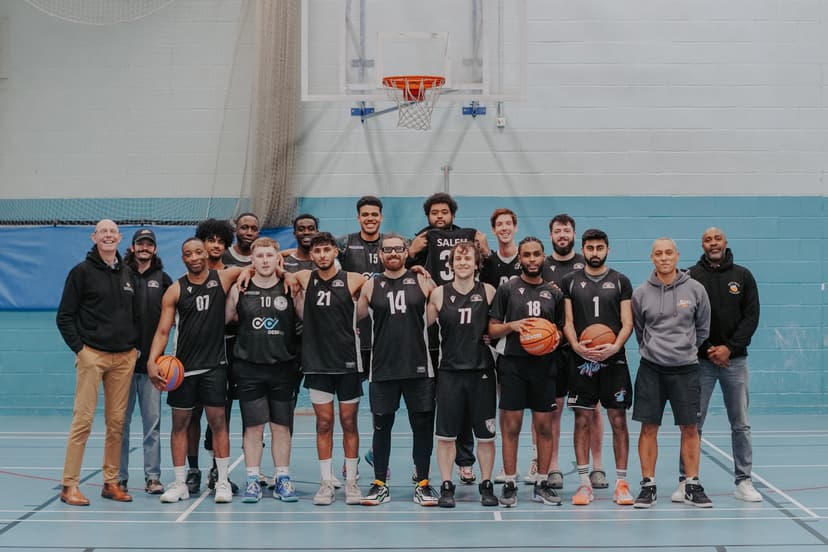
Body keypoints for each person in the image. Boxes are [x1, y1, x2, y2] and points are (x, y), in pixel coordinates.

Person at [147, 238, 251, 504]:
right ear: (182, 258)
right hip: (182, 369)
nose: (193, 257)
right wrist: (152, 361)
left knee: (219, 423)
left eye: (198, 252)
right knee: (180, 425)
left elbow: (256, 264)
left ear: (207, 254)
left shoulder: (223, 277)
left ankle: (223, 481)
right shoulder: (175, 290)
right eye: (187, 253)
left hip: (214, 366)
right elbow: (162, 330)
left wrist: (279, 268)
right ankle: (181, 482)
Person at [408, 192, 490, 485]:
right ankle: (423, 463)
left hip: (464, 323)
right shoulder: (422, 238)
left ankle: (465, 461)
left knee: (466, 403)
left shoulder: (470, 237)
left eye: (444, 212)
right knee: (431, 403)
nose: (439, 217)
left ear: (453, 214)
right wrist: (410, 253)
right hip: (436, 317)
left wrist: (486, 248)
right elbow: (400, 271)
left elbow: (488, 268)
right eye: (434, 213)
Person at [56, 219, 139, 505]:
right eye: (102, 231)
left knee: (117, 423)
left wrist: (135, 348)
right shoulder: (80, 272)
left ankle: (110, 482)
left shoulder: (128, 273)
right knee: (83, 421)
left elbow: (136, 315)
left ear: (119, 237)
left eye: (112, 232)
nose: (108, 235)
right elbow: (64, 317)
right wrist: (81, 351)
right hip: (92, 355)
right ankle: (69, 486)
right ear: (94, 237)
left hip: (124, 358)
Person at [357, 233, 438, 506]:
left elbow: (439, 309)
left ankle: (423, 484)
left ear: (406, 252)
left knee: (422, 428)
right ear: (380, 254)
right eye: (387, 249)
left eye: (398, 249)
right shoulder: (370, 285)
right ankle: (380, 483)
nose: (393, 253)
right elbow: (351, 316)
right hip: (382, 369)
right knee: (382, 428)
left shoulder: (422, 280)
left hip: (418, 368)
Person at [631, 237, 712, 508]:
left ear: (677, 256)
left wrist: (685, 350)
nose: (664, 257)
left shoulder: (696, 289)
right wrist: (654, 350)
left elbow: (702, 330)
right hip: (651, 369)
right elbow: (640, 332)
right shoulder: (641, 293)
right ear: (651, 258)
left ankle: (692, 484)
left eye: (668, 252)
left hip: (686, 369)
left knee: (690, 428)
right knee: (648, 428)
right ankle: (648, 486)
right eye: (658, 253)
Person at [683, 227, 762, 502]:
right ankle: (687, 480)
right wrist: (707, 348)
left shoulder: (743, 276)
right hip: (701, 362)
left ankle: (744, 481)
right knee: (693, 422)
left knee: (740, 423)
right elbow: (687, 319)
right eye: (707, 239)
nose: (713, 243)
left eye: (717, 238)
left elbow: (751, 317)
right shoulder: (691, 276)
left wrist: (730, 348)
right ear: (702, 244)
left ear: (726, 242)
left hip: (735, 362)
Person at [289, 232, 367, 506]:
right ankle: (325, 483)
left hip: (347, 362)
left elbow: (380, 290)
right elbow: (274, 265)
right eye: (317, 251)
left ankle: (352, 483)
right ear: (311, 256)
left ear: (335, 251)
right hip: (317, 362)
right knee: (324, 423)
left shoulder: (354, 279)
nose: (322, 255)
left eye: (326, 250)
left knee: (348, 422)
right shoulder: (303, 277)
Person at [488, 236, 565, 507]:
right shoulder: (508, 289)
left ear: (543, 257)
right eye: (527, 255)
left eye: (536, 254)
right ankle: (510, 482)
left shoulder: (554, 293)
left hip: (544, 367)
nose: (532, 259)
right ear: (519, 259)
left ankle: (542, 482)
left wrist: (552, 336)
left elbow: (561, 331)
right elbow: (492, 328)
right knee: (511, 426)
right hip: (513, 365)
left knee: (544, 427)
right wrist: (514, 325)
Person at [561, 229, 635, 507]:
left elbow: (627, 322)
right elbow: (567, 322)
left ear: (608, 249)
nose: (595, 252)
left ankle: (621, 483)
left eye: (599, 247)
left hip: (613, 360)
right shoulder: (570, 281)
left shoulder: (620, 281)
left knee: (618, 420)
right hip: (581, 361)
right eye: (590, 248)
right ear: (583, 249)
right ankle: (583, 484)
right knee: (582, 420)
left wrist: (615, 346)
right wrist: (576, 346)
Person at [225, 237, 301, 503]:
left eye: (270, 256)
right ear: (252, 260)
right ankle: (253, 479)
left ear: (277, 259)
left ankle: (282, 478)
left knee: (281, 427)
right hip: (249, 368)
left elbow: (304, 316)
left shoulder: (290, 288)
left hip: (283, 367)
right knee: (253, 428)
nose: (265, 260)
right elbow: (224, 319)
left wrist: (291, 280)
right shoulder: (240, 289)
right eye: (260, 256)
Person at [537, 214, 607, 491]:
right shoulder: (542, 265)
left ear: (574, 234)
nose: (562, 234)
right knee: (553, 408)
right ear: (551, 235)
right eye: (557, 230)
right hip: (553, 348)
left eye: (567, 230)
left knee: (593, 408)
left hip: (586, 347)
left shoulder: (586, 264)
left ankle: (598, 466)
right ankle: (552, 466)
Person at [427, 241, 499, 508]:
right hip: (450, 373)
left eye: (468, 258)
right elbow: (418, 323)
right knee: (446, 435)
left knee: (486, 436)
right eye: (458, 258)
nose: (463, 262)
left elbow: (500, 325)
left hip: (482, 372)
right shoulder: (438, 294)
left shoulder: (489, 292)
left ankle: (487, 483)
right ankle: (447, 484)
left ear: (477, 263)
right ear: (451, 264)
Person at [117, 229, 172, 496]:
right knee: (121, 424)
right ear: (132, 247)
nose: (144, 247)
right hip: (123, 365)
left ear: (155, 249)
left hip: (154, 366)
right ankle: (119, 478)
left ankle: (153, 478)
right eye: (140, 243)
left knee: (153, 424)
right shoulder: (120, 275)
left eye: (149, 244)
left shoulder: (163, 280)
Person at [186, 217, 237, 494]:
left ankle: (219, 471)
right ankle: (192, 470)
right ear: (201, 244)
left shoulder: (233, 274)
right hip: (194, 351)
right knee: (192, 413)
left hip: (227, 349)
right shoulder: (188, 278)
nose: (215, 245)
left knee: (221, 415)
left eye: (221, 241)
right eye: (211, 240)